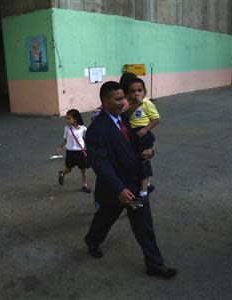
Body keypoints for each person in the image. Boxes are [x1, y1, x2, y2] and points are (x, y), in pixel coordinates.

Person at [83, 81, 178, 278]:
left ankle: (154, 264)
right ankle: (92, 240)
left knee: (143, 224)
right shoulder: (97, 130)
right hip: (115, 189)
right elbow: (101, 165)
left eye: (123, 98)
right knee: (105, 218)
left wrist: (150, 150)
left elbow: (138, 141)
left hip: (134, 186)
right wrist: (119, 189)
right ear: (104, 101)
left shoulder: (124, 119)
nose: (122, 103)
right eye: (117, 99)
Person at [124, 78, 160, 201]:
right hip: (133, 133)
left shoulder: (147, 103)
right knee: (136, 160)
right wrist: (134, 104)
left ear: (145, 92)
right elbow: (126, 115)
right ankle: (145, 185)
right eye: (133, 91)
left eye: (139, 91)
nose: (136, 94)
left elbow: (156, 118)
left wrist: (146, 129)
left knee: (143, 160)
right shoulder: (128, 104)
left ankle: (144, 190)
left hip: (143, 133)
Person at [57, 109, 92, 193]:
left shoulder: (83, 128)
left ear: (75, 119)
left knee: (83, 170)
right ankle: (62, 173)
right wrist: (60, 147)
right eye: (67, 118)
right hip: (70, 152)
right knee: (69, 169)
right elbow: (65, 140)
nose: (67, 120)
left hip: (80, 152)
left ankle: (84, 185)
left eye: (69, 118)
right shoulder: (66, 129)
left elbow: (86, 139)